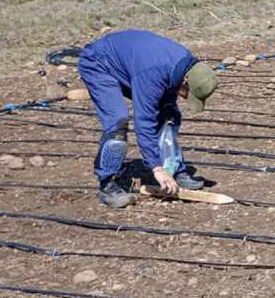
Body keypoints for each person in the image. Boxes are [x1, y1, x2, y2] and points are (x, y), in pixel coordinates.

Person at [77, 29, 218, 208]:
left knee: (168, 114)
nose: (184, 98)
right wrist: (156, 169)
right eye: (187, 95)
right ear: (185, 81)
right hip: (99, 63)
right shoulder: (153, 75)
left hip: (134, 64)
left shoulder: (186, 65)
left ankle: (174, 168)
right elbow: (144, 121)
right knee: (118, 122)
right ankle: (107, 183)